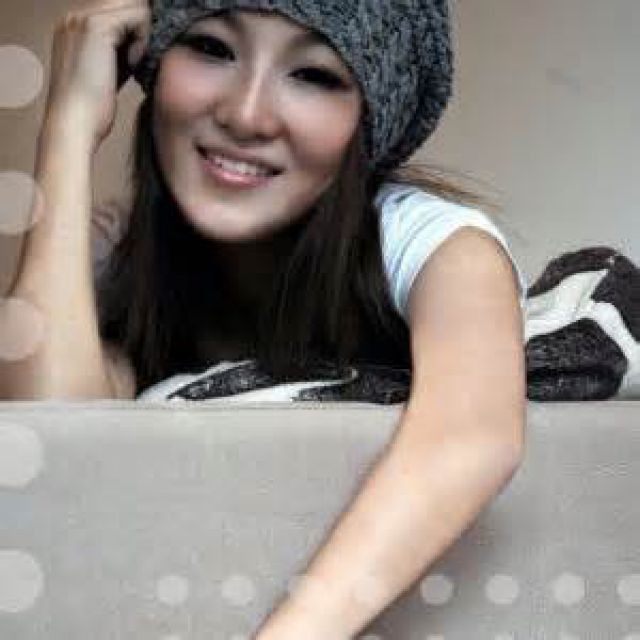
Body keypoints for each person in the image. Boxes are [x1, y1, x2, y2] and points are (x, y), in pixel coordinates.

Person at [1, 0, 527, 403]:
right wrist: (68, 123)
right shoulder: (110, 259)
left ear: (369, 128)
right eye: (213, 48)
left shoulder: (441, 252)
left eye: (313, 75)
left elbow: (470, 444)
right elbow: (56, 448)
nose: (246, 116)